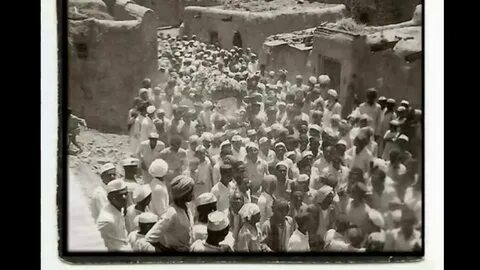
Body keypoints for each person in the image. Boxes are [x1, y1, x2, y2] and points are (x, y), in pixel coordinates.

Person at [145, 175, 195, 251]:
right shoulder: (172, 213)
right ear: (183, 193)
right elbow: (150, 237)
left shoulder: (187, 207)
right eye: (190, 191)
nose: (193, 194)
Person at [96, 179, 132, 251]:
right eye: (120, 195)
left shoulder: (118, 208)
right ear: (111, 198)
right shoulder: (106, 220)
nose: (124, 197)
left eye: (125, 193)